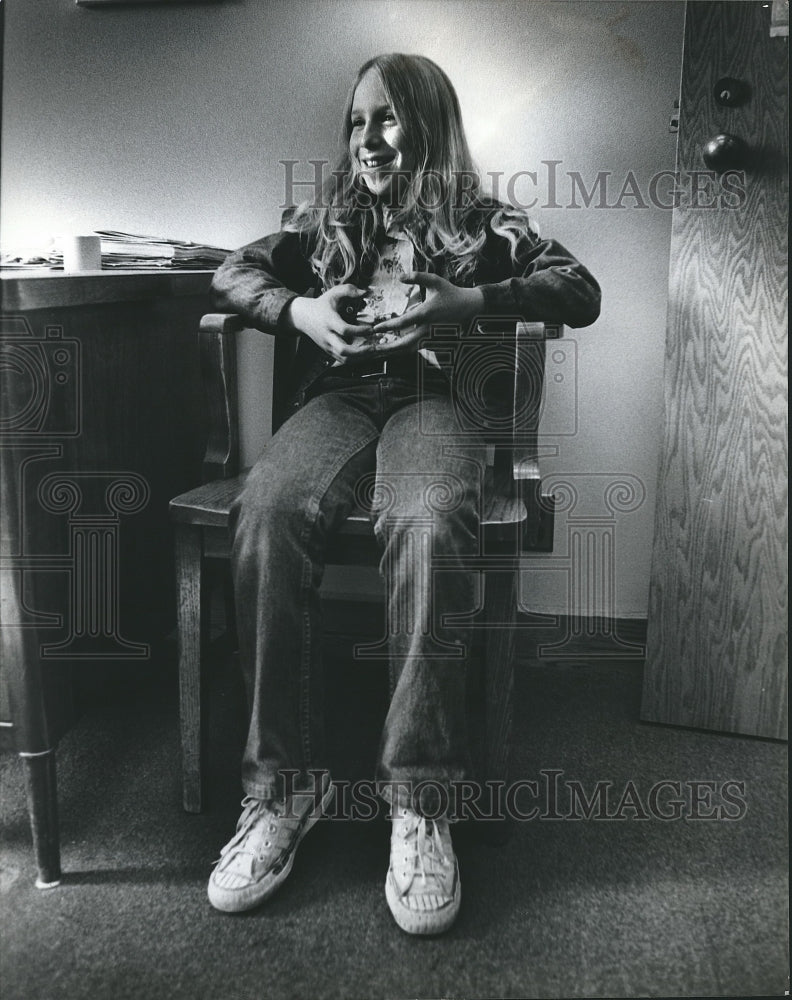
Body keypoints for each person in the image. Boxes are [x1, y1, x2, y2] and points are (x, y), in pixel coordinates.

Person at [206, 52, 600, 935]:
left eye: (386, 118)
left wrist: (473, 301)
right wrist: (300, 311)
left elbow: (580, 290)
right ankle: (283, 791)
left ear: (428, 125)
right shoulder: (322, 218)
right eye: (357, 121)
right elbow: (232, 272)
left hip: (436, 400)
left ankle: (420, 800)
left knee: (428, 518)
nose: (368, 137)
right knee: (268, 512)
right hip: (340, 399)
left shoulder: (487, 219)